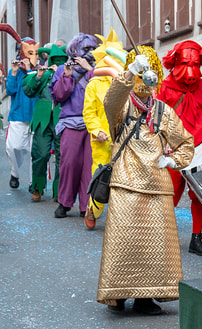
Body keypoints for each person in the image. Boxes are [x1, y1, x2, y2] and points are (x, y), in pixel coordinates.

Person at [96, 47, 194, 315]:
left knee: (154, 249)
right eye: (140, 74)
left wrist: (174, 161)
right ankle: (118, 294)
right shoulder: (122, 108)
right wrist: (129, 72)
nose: (144, 81)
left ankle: (145, 297)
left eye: (148, 74)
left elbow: (185, 142)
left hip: (157, 186)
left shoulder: (163, 110)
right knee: (124, 244)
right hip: (126, 183)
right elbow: (110, 101)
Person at [157, 40, 202, 256]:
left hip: (200, 147)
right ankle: (162, 237)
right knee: (170, 194)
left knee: (199, 194)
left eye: (195, 64)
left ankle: (196, 238)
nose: (190, 70)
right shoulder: (166, 87)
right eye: (186, 63)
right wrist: (164, 140)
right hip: (174, 150)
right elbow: (158, 118)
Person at [83, 30, 127, 229]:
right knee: (102, 177)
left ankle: (121, 218)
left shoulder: (128, 82)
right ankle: (93, 209)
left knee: (124, 179)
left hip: (125, 139)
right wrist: (97, 131)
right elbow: (89, 113)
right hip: (103, 141)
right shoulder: (94, 85)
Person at [51, 32, 98, 218]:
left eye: (93, 48)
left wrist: (90, 71)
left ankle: (86, 206)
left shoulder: (98, 69)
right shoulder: (62, 70)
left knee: (90, 167)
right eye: (85, 48)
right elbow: (59, 96)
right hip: (71, 122)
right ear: (75, 49)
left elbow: (104, 94)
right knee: (69, 164)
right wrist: (67, 76)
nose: (89, 52)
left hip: (93, 124)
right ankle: (64, 202)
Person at [23, 43, 67, 201]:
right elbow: (28, 91)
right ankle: (37, 187)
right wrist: (39, 76)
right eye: (56, 59)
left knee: (63, 157)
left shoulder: (69, 75)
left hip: (63, 120)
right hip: (43, 120)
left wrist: (62, 74)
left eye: (61, 60)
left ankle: (59, 192)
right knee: (40, 154)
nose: (58, 63)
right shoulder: (44, 75)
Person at [5, 37, 37, 191]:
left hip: (35, 117)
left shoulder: (39, 70)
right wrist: (14, 72)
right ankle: (14, 173)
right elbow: (10, 90)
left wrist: (30, 70)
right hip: (18, 115)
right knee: (13, 147)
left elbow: (35, 88)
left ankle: (33, 182)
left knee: (34, 152)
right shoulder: (15, 71)